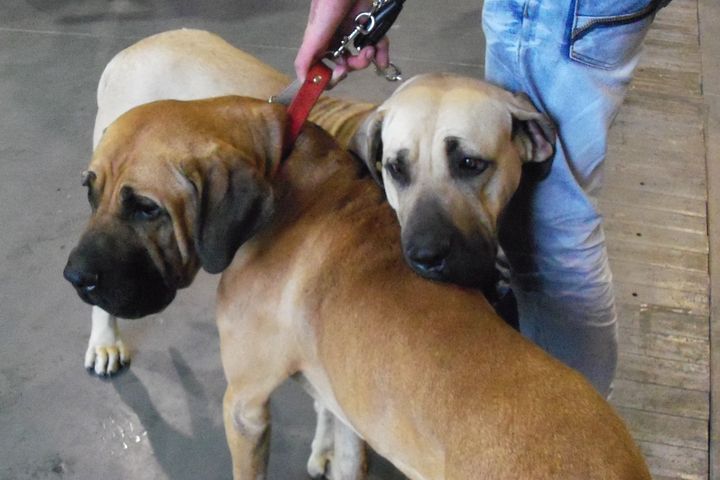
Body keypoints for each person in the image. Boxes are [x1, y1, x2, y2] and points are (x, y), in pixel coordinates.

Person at [295, 0, 669, 398]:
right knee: (535, 238)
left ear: (534, 140)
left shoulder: (523, 129)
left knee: (549, 237)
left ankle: (566, 418)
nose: (424, 245)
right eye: (400, 172)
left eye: (470, 165)